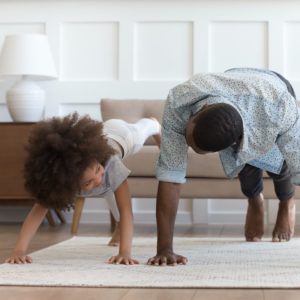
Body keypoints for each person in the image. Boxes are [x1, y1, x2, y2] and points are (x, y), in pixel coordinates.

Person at [147, 68, 298, 266]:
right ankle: (254, 199)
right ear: (200, 109)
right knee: (245, 163)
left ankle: (286, 203)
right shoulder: (181, 100)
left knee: (282, 164)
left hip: (273, 90)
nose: (187, 146)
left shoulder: (280, 107)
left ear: (236, 139)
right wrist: (165, 249)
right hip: (235, 82)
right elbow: (170, 175)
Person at [5, 113, 161, 265]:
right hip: (104, 135)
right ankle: (118, 231)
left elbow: (126, 210)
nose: (99, 180)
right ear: (68, 183)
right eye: (88, 183)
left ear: (98, 161)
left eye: (98, 170)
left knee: (142, 130)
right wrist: (19, 251)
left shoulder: (111, 167)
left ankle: (153, 123)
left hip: (121, 134)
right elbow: (36, 215)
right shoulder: (62, 182)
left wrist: (124, 253)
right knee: (107, 189)